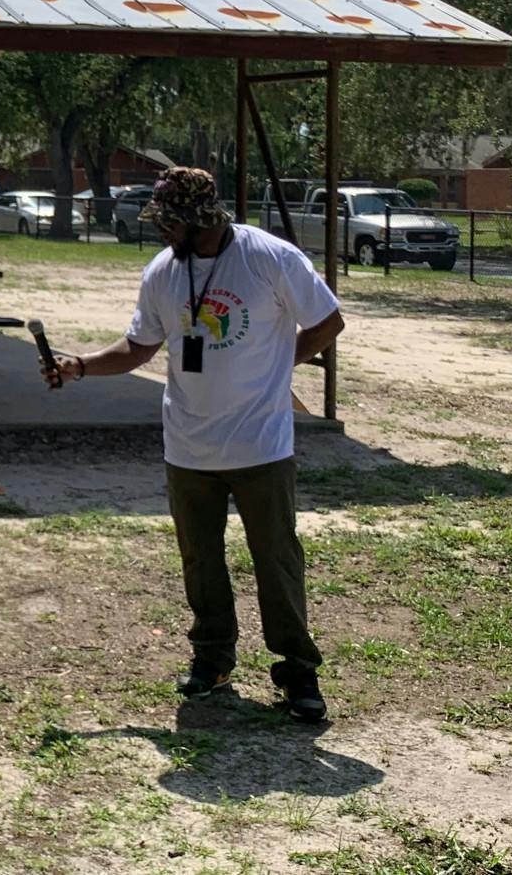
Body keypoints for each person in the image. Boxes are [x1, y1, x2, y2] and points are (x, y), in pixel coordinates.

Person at [44, 166, 343, 723]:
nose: (161, 232)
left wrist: (282, 365)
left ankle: (298, 672)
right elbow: (138, 348)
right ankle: (212, 660)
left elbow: (329, 321)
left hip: (261, 446)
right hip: (188, 448)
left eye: (169, 223)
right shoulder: (162, 272)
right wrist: (79, 366)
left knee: (276, 560)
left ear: (196, 220)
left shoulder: (268, 257)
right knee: (200, 562)